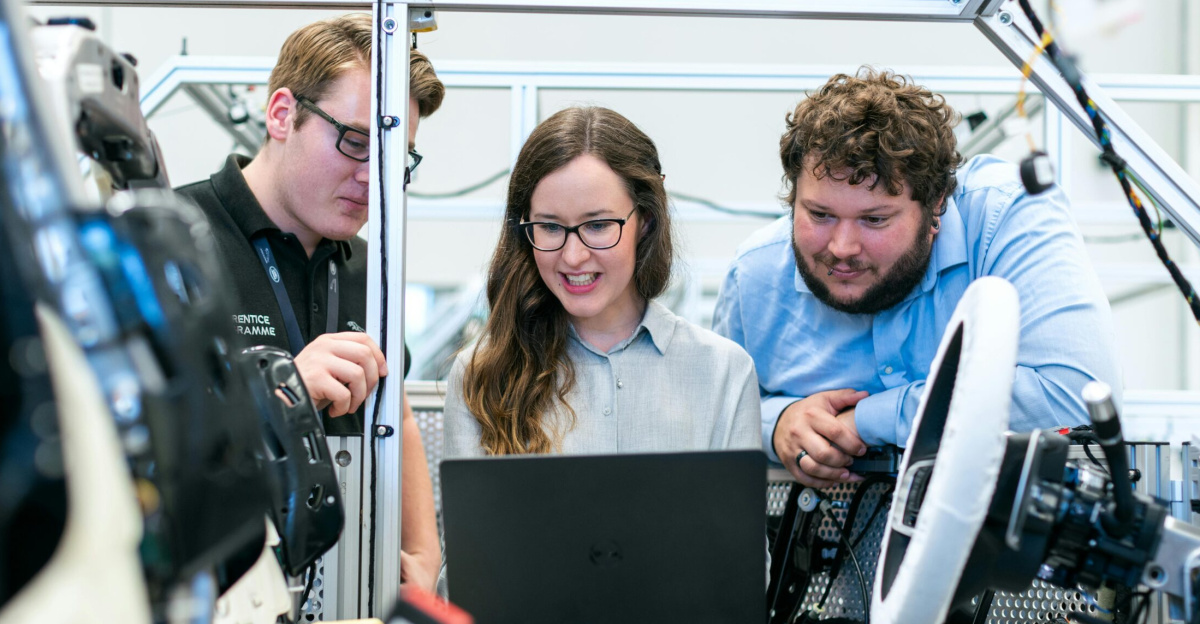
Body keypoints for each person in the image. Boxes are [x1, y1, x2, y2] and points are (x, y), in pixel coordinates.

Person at [712, 67, 1122, 489]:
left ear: (936, 204)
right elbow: (715, 415)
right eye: (820, 215)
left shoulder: (1006, 217)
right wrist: (777, 423)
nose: (842, 247)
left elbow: (1075, 394)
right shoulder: (755, 276)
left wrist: (866, 421)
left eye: (874, 219)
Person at [175, 14, 445, 590]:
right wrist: (282, 392)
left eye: (396, 158)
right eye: (355, 141)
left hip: (344, 586)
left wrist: (422, 555)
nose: (372, 177)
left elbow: (394, 413)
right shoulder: (172, 241)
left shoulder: (371, 268)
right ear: (281, 115)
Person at [443, 106, 759, 458]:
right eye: (549, 227)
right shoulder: (480, 377)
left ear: (646, 220)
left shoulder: (724, 373)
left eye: (597, 225)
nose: (574, 256)